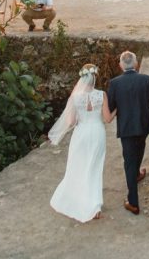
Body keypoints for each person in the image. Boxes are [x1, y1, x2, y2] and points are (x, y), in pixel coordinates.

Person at [48, 64, 114, 222]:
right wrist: (117, 109)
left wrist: (81, 116)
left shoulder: (76, 96)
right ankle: (95, 207)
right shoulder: (102, 95)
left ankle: (78, 200)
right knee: (94, 168)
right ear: (95, 77)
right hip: (97, 133)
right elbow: (107, 119)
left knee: (78, 166)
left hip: (81, 134)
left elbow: (71, 121)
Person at [106, 51, 149, 215]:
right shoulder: (146, 80)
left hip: (126, 127)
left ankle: (133, 202)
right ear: (136, 64)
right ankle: (136, 180)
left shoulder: (114, 83)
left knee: (129, 160)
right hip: (143, 125)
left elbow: (110, 108)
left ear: (120, 65)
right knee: (139, 148)